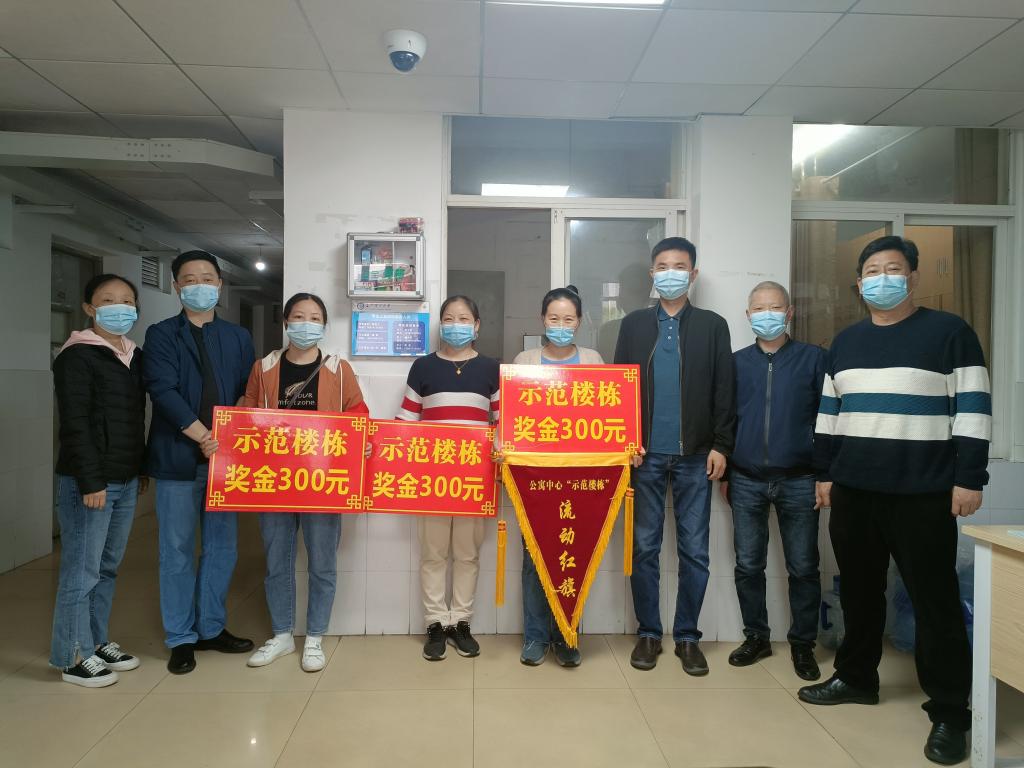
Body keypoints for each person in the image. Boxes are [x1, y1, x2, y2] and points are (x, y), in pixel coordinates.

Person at [798, 236, 989, 766]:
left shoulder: (949, 333)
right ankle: (857, 678)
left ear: (913, 277)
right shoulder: (846, 341)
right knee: (860, 593)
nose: (882, 278)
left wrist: (969, 478)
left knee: (935, 602)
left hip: (922, 491)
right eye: (872, 271)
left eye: (893, 269)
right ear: (858, 283)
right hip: (854, 490)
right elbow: (829, 414)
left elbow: (973, 408)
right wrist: (824, 474)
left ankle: (950, 712)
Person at [614, 236, 735, 676]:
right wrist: (624, 441)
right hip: (643, 456)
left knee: (695, 552)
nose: (670, 273)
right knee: (644, 549)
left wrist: (722, 445)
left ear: (693, 274)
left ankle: (687, 637)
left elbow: (725, 389)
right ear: (652, 273)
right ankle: (648, 633)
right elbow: (619, 389)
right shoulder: (633, 325)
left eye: (679, 266)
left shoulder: (713, 325)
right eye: (662, 266)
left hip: (696, 456)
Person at [241, 293, 368, 672]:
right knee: (276, 561)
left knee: (322, 562)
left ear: (324, 326)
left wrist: (362, 442)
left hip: (323, 480)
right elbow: (246, 412)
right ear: (285, 323)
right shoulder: (264, 367)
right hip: (274, 479)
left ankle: (314, 637)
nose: (306, 324)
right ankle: (282, 635)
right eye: (299, 317)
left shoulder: (339, 369)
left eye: (314, 318)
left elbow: (358, 413)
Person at [144, 250, 256, 675]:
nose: (199, 285)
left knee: (222, 547)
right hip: (178, 458)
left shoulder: (237, 337)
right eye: (190, 279)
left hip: (225, 462)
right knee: (175, 551)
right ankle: (180, 637)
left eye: (207, 278)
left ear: (220, 285)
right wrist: (204, 436)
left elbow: (247, 391)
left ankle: (210, 627)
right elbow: (162, 391)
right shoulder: (161, 334)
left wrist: (229, 435)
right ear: (176, 286)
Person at [722, 281, 825, 681]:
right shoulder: (735, 363)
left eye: (775, 307)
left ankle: (802, 644)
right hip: (746, 479)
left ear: (789, 312)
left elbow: (828, 420)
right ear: (748, 316)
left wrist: (825, 475)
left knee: (803, 567)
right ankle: (757, 637)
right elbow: (725, 420)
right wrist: (728, 473)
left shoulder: (814, 360)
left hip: (801, 479)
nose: (768, 314)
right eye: (759, 309)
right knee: (748, 565)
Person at [50, 274, 147, 687]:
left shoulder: (131, 355)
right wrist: (91, 481)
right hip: (89, 482)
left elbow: (132, 420)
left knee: (107, 567)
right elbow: (75, 424)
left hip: (124, 477)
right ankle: (73, 655)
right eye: (108, 300)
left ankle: (96, 641)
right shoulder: (77, 356)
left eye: (127, 300)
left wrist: (139, 469)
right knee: (81, 570)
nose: (119, 307)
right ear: (89, 308)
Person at [397, 296, 500, 661]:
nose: (456, 325)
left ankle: (461, 623)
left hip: (476, 479)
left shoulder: (491, 368)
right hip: (433, 479)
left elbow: (502, 423)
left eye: (464, 318)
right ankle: (436, 624)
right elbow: (405, 424)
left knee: (468, 554)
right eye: (449, 318)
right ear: (440, 324)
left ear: (477, 326)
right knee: (433, 554)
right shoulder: (422, 367)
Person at [513, 286, 604, 668]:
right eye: (554, 318)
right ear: (543, 319)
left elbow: (607, 416)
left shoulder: (594, 360)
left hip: (580, 479)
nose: (561, 325)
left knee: (572, 557)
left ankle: (567, 635)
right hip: (535, 478)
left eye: (569, 319)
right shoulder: (525, 360)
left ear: (579, 322)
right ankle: (535, 636)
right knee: (535, 559)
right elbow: (514, 417)